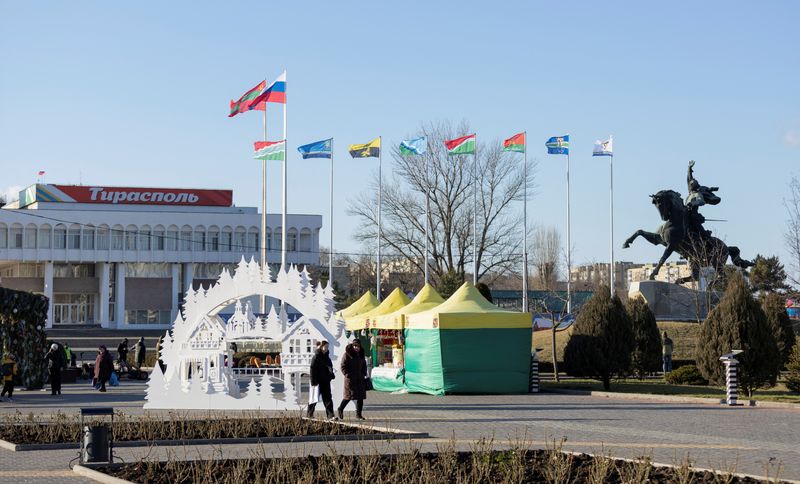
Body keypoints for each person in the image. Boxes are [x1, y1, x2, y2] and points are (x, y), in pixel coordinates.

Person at [337, 337, 368, 420]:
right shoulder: (347, 354)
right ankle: (340, 408)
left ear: (360, 347)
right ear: (352, 346)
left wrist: (364, 373)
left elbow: (364, 365)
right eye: (354, 346)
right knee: (349, 396)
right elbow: (343, 366)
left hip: (360, 379)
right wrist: (347, 374)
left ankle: (359, 415)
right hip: (350, 379)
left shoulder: (361, 354)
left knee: (360, 398)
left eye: (357, 346)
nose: (356, 347)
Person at [308, 341, 336, 420]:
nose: (326, 348)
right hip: (317, 381)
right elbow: (312, 369)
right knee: (314, 398)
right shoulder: (316, 357)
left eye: (327, 347)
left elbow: (330, 367)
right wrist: (313, 381)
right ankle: (309, 414)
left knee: (328, 398)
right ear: (321, 347)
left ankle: (330, 415)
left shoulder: (327, 357)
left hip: (326, 381)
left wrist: (331, 374)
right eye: (325, 346)